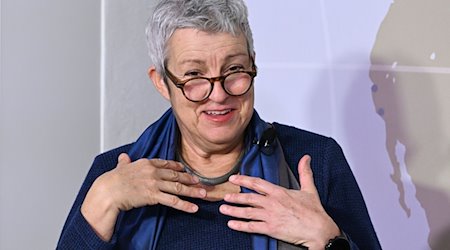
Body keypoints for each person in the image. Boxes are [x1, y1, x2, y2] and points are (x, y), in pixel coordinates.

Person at [57, 0, 381, 249]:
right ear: (161, 83)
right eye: (195, 76)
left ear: (253, 65)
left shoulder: (315, 160)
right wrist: (102, 200)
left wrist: (328, 239)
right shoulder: (113, 174)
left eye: (234, 69)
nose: (219, 95)